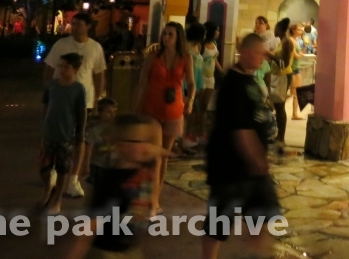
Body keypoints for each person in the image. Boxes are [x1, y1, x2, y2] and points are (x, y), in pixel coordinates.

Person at [202, 34, 281, 259]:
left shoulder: (250, 78)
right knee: (219, 222)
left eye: (264, 54)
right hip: (230, 166)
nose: (262, 58)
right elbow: (240, 129)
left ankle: (255, 252)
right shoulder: (233, 84)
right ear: (245, 52)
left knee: (265, 214)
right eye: (258, 53)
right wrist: (255, 158)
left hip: (253, 167)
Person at [66, 113, 166, 259]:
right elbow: (91, 226)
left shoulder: (141, 173)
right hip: (107, 253)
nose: (146, 147)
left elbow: (158, 155)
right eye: (138, 141)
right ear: (121, 145)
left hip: (129, 249)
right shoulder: (111, 183)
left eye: (148, 141)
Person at [43, 11, 107, 198]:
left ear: (88, 26)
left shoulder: (95, 48)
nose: (75, 27)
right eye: (74, 23)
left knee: (80, 138)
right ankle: (55, 170)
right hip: (61, 98)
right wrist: (48, 91)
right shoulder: (61, 45)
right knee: (57, 134)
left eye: (79, 24)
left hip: (84, 99)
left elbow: (99, 73)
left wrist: (98, 98)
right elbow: (49, 68)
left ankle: (74, 177)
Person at [133, 21, 195, 214]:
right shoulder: (153, 56)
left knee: (163, 156)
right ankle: (147, 198)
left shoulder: (185, 57)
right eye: (164, 34)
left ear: (178, 38)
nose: (166, 38)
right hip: (152, 108)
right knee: (153, 155)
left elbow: (191, 83)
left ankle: (155, 198)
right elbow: (142, 82)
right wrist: (135, 108)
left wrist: (190, 100)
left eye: (170, 34)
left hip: (174, 110)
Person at [40, 52, 88, 214]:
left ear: (75, 69)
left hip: (66, 134)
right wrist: (44, 125)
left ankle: (58, 199)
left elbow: (81, 112)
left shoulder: (78, 89)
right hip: (49, 133)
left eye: (66, 67)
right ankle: (48, 187)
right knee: (44, 167)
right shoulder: (51, 85)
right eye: (60, 66)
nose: (62, 69)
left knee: (62, 168)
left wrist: (80, 133)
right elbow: (46, 105)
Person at [82, 96, 118, 185]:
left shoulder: (117, 129)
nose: (112, 115)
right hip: (98, 165)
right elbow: (89, 148)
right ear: (100, 113)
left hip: (113, 165)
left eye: (114, 112)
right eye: (109, 112)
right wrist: (86, 166)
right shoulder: (94, 130)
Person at [269, 19, 292, 150]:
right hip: (278, 75)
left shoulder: (287, 43)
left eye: (276, 28)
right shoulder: (281, 42)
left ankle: (281, 137)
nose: (274, 30)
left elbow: (285, 63)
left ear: (280, 29)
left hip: (283, 76)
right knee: (277, 106)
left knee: (280, 106)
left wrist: (270, 56)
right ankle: (278, 136)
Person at [287, 24, 305, 120]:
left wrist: (301, 53)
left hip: (296, 68)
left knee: (296, 92)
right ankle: (275, 107)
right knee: (292, 92)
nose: (301, 31)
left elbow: (298, 54)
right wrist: (301, 55)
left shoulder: (296, 40)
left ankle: (295, 113)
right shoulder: (291, 40)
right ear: (293, 30)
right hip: (293, 68)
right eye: (299, 29)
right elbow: (295, 55)